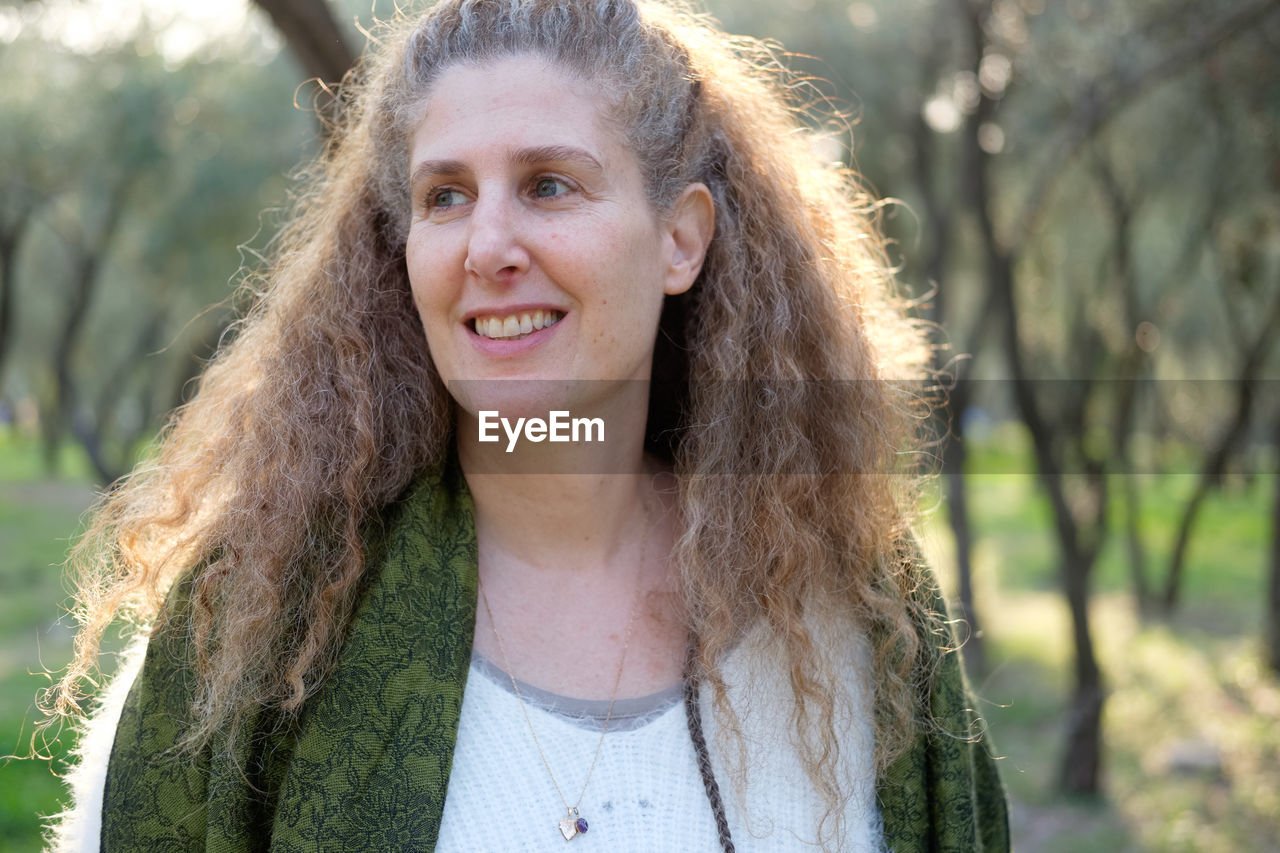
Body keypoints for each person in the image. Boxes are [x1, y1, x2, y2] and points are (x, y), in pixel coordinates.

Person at [45, 1, 1008, 850]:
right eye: (445, 196)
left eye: (549, 184)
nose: (488, 246)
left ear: (681, 238)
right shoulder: (256, 621)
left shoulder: (853, 609)